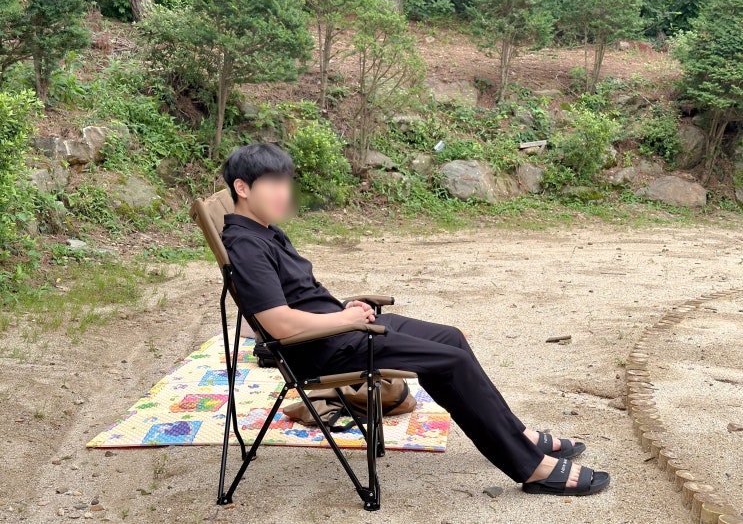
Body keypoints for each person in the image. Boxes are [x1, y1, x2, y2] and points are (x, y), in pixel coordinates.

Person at [220, 143, 610, 497]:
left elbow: (299, 297)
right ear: (242, 188)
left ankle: (519, 435)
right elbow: (279, 325)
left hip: (340, 329)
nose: (284, 193)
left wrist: (347, 310)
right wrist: (345, 319)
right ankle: (531, 467)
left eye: (286, 182)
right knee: (451, 363)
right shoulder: (248, 245)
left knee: (451, 338)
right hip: (326, 348)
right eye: (273, 184)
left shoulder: (265, 231)